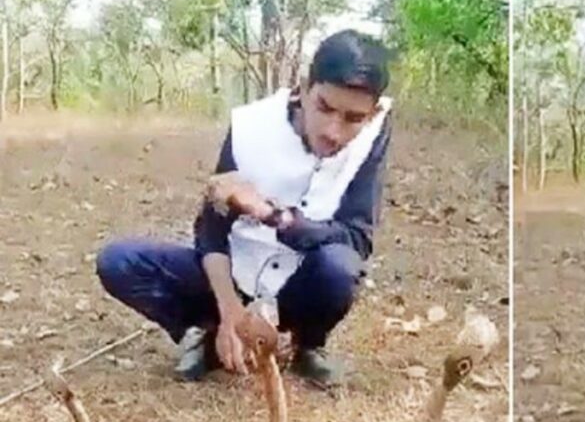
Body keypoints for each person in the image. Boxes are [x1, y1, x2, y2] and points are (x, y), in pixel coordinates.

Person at [96, 29, 393, 385]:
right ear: (303, 88)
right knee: (119, 261)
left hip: (301, 283)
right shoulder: (251, 126)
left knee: (340, 265)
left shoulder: (375, 133)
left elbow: (357, 237)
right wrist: (230, 311)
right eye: (324, 107)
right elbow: (210, 231)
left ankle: (308, 345)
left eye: (353, 119)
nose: (333, 130)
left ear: (372, 114)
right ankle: (208, 335)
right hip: (238, 272)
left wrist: (273, 216)